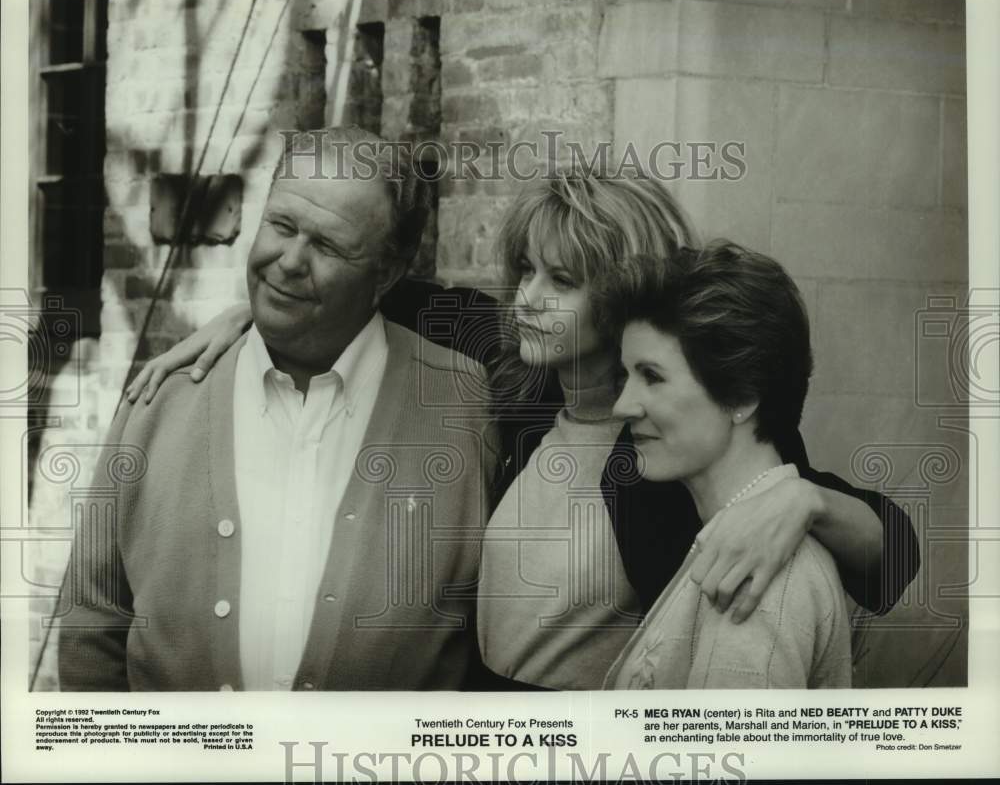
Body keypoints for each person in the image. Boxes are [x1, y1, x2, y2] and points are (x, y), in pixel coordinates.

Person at [123, 167, 920, 690]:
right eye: (526, 271)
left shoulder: (673, 440)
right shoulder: (520, 382)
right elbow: (378, 289)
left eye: (563, 280)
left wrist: (805, 503)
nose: (529, 296)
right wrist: (245, 316)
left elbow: (892, 561)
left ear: (626, 295)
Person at [56, 126, 495, 691]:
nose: (288, 261)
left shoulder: (465, 405)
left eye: (329, 246)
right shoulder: (159, 400)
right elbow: (93, 623)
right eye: (281, 225)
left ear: (386, 273)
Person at [601, 243, 850, 688]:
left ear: (741, 395)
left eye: (652, 376)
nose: (623, 405)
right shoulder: (733, 544)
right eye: (625, 376)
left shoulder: (752, 584)